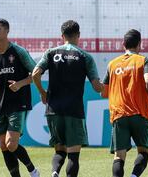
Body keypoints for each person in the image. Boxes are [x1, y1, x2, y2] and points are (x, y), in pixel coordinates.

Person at [32, 20, 103, 177]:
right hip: (74, 110)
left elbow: (35, 73)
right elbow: (97, 87)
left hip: (53, 110)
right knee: (73, 154)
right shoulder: (85, 56)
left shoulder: (51, 52)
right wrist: (107, 87)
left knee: (59, 149)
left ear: (62, 36)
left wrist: (43, 92)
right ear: (78, 35)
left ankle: (55, 171)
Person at [0, 18, 40, 177]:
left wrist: (20, 84)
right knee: (3, 145)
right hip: (0, 106)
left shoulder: (18, 51)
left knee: (11, 144)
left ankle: (32, 170)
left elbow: (36, 73)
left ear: (7, 31)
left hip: (18, 103)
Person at [101, 29, 148, 177]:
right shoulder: (144, 60)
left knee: (119, 156)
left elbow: (103, 92)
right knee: (143, 151)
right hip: (140, 113)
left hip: (119, 114)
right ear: (139, 45)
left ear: (123, 44)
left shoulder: (112, 64)